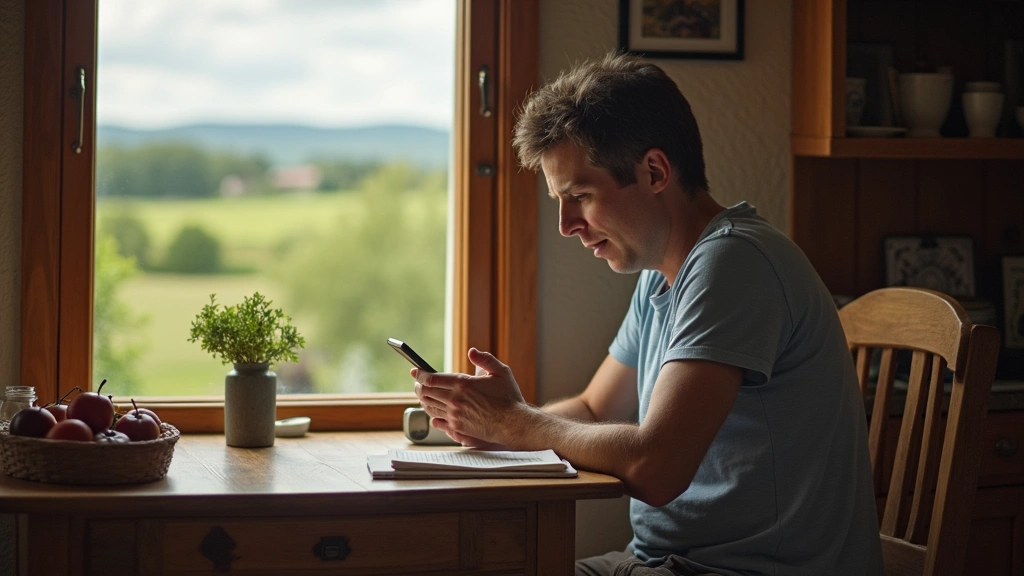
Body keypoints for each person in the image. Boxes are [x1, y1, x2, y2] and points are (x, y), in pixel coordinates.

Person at [413, 52, 882, 576]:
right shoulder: (661, 276)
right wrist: (497, 426)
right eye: (559, 201)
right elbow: (595, 409)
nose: (567, 225)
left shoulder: (734, 263)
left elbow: (657, 467)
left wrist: (518, 424)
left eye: (580, 196)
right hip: (661, 563)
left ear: (655, 171)